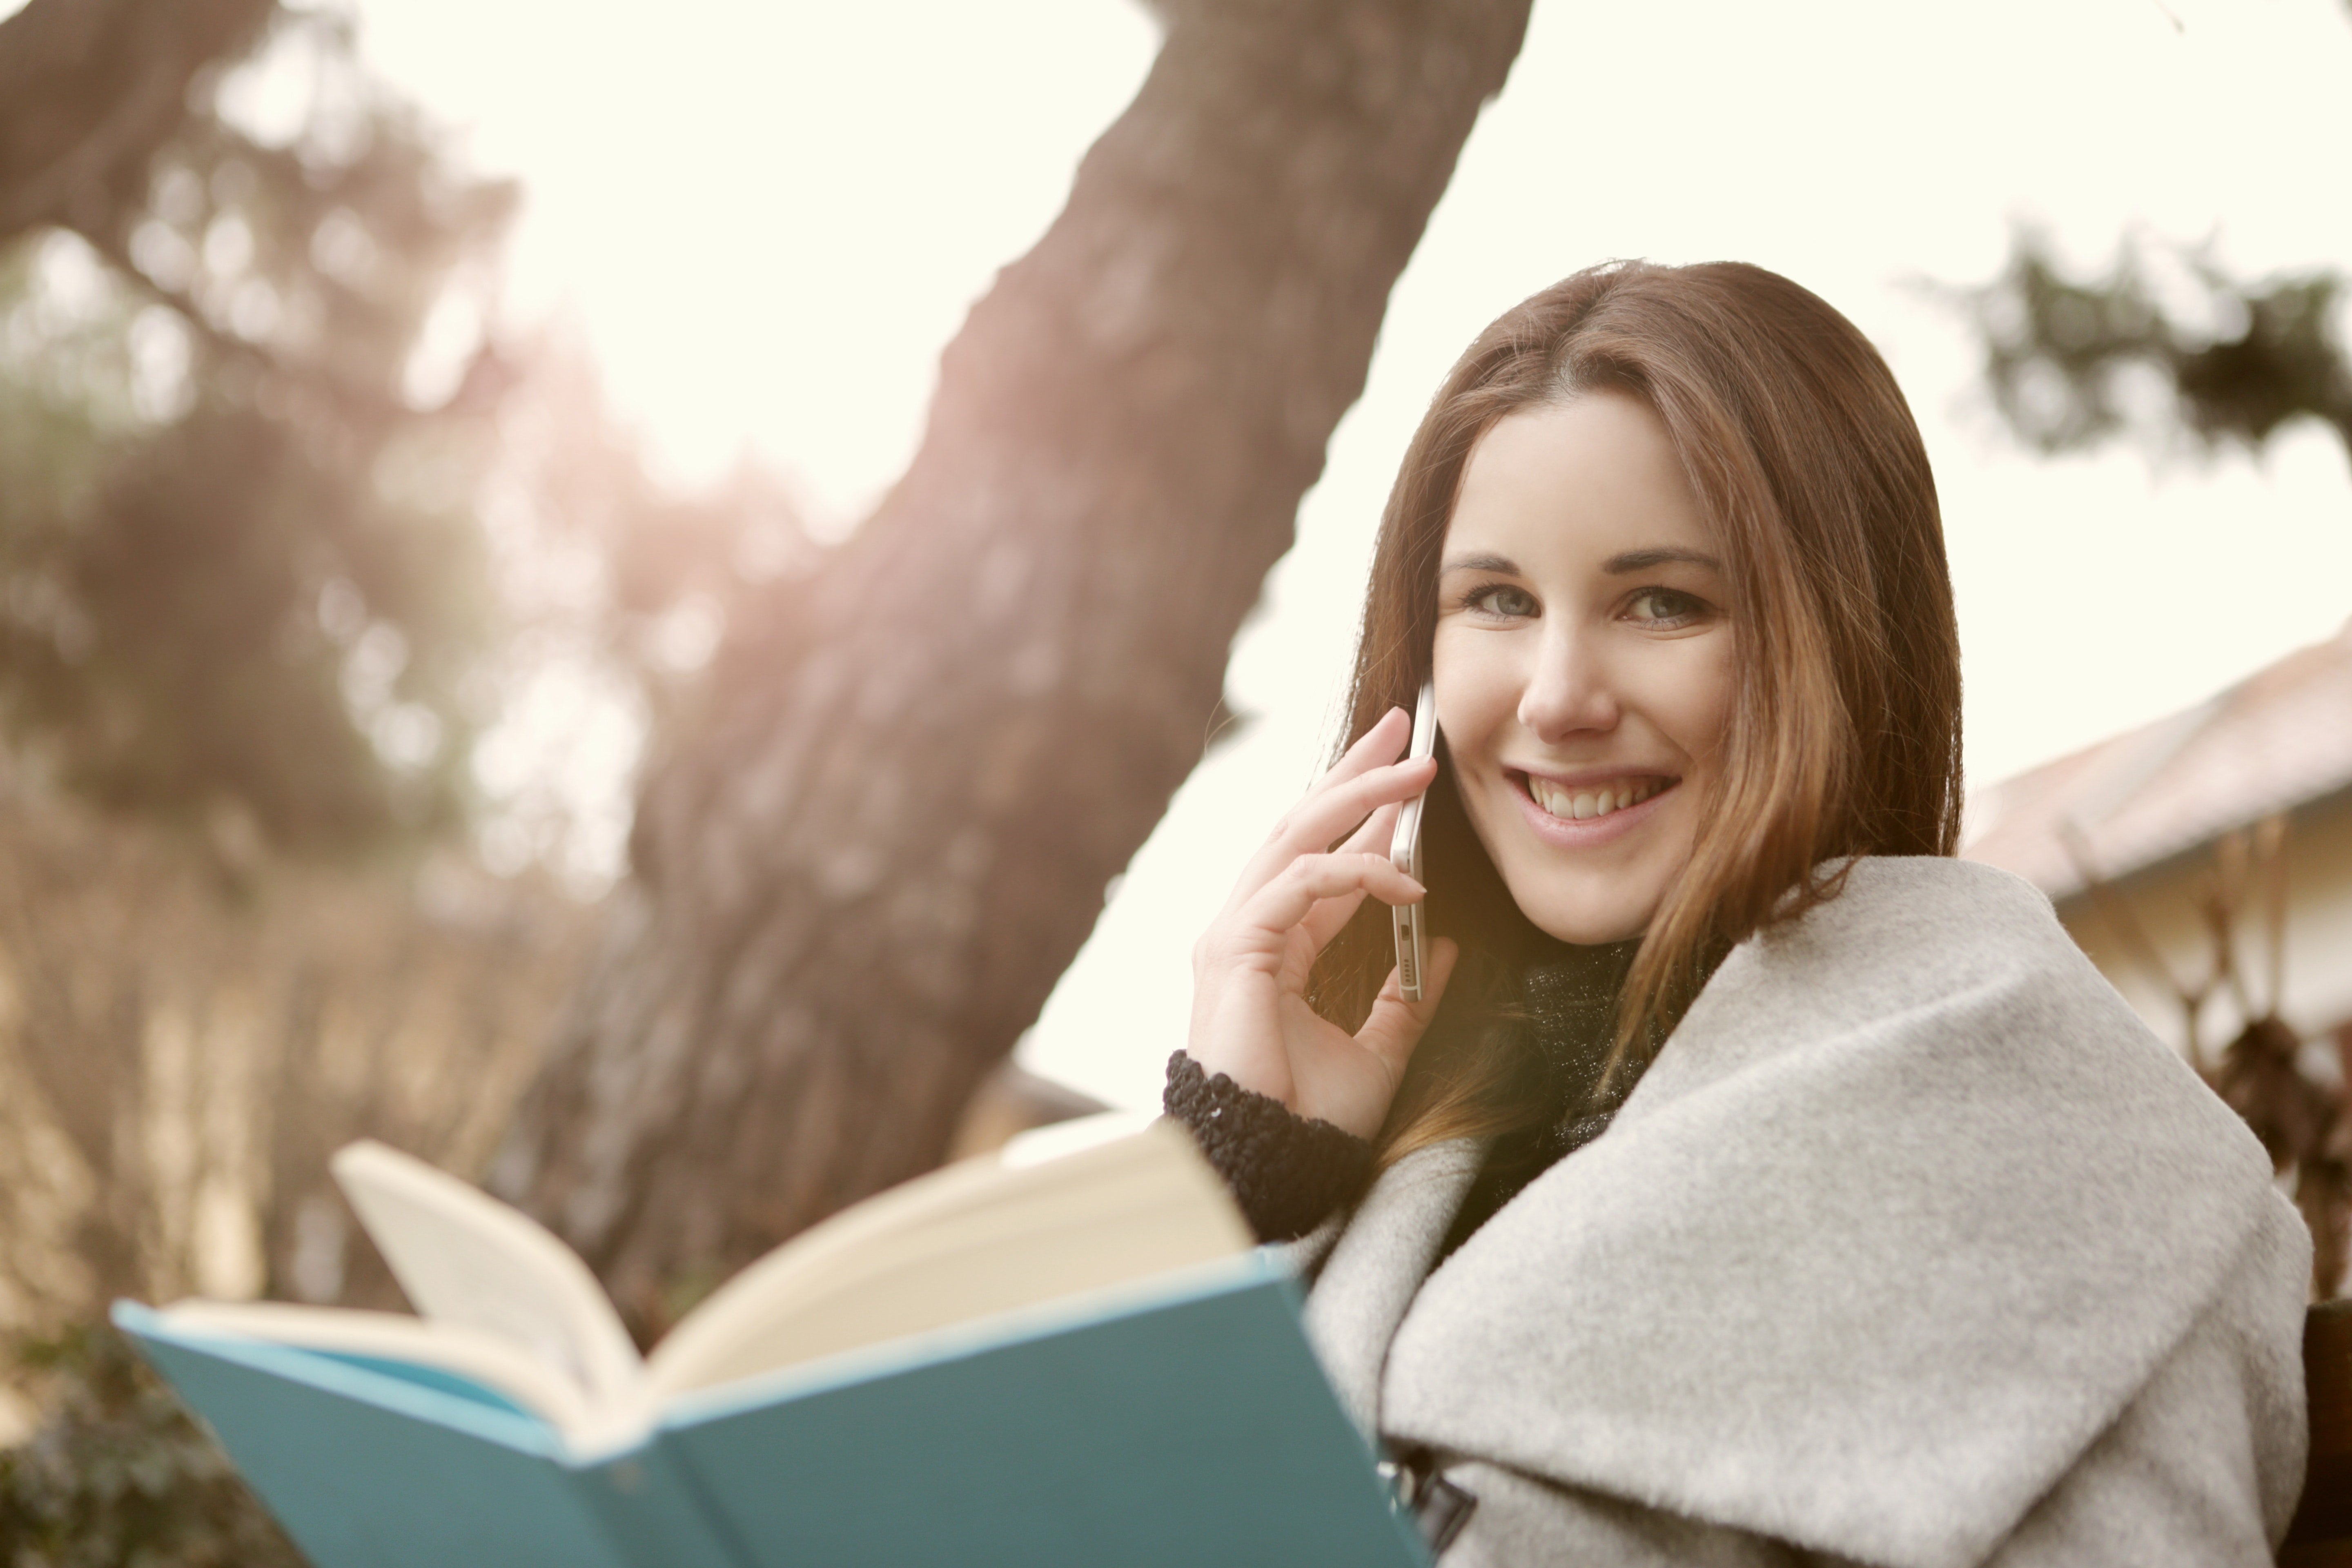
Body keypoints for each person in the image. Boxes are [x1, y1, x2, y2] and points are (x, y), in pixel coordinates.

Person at [1166, 261, 2309, 1566]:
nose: (1556, 697)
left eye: (1665, 602)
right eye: (1497, 600)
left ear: (1842, 633)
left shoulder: (2067, 1147)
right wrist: (1248, 1176)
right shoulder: (1395, 1122)